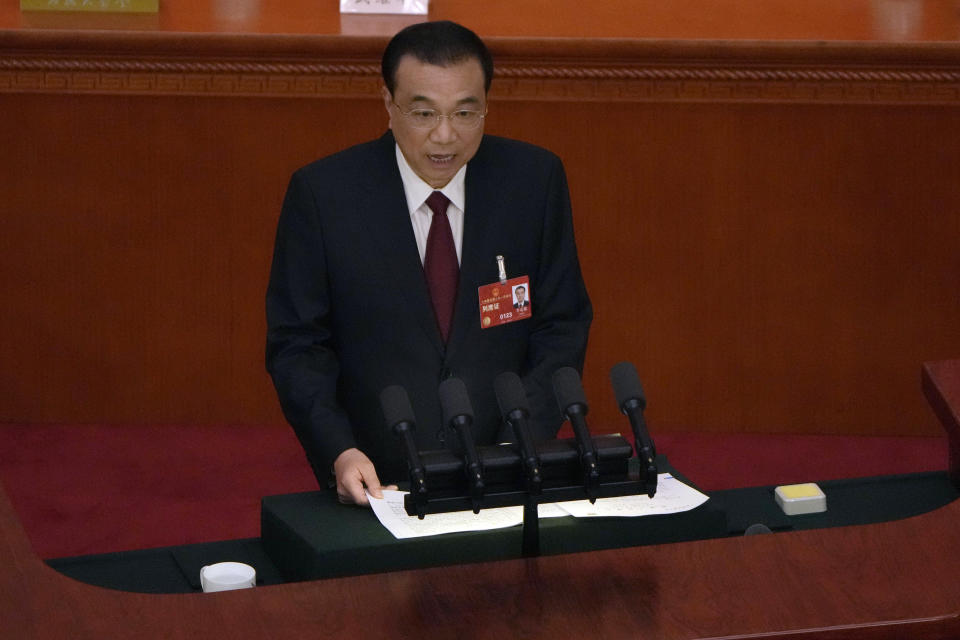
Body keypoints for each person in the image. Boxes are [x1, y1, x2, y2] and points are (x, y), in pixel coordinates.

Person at [265, 20, 591, 507]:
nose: (445, 136)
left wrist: (517, 443)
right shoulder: (324, 196)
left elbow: (561, 324)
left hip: (508, 469)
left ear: (487, 105)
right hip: (378, 480)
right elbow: (297, 344)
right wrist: (338, 449)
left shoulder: (533, 181)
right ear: (388, 104)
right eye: (423, 113)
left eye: (465, 112)